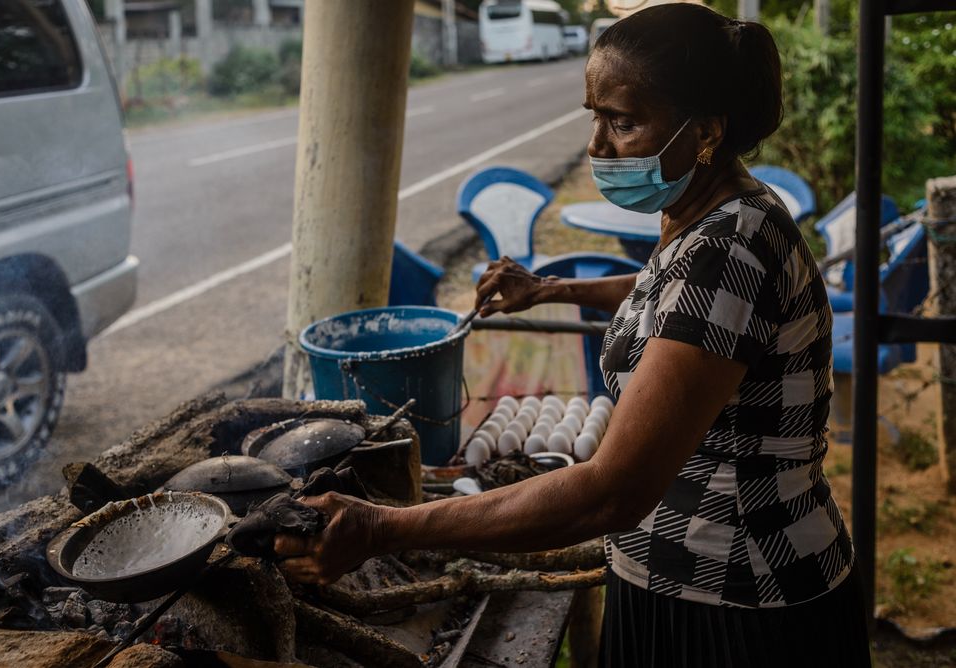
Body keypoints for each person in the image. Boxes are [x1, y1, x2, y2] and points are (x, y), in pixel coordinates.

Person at [275, 4, 871, 666]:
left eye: (622, 121)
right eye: (594, 115)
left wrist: (384, 528)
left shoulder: (731, 249)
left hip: (737, 607)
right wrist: (549, 290)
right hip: (687, 582)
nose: (596, 145)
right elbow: (671, 301)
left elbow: (612, 491)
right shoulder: (722, 212)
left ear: (704, 133)